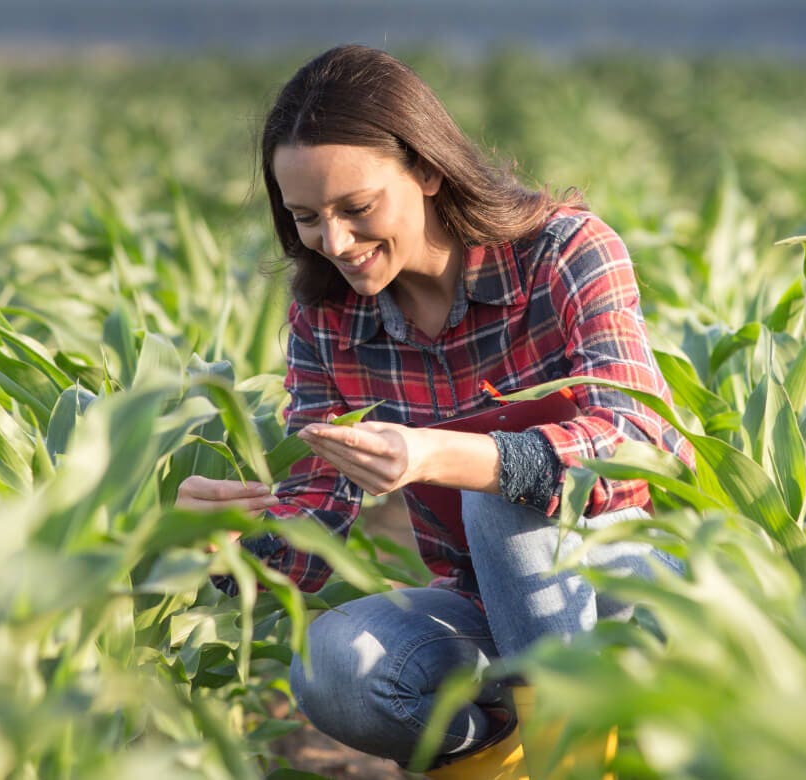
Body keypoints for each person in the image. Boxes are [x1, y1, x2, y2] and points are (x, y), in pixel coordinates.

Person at [176, 44, 693, 778]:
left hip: (633, 583)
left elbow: (640, 438)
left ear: (426, 168)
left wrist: (437, 456)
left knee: (500, 501)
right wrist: (211, 541)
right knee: (336, 668)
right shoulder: (328, 322)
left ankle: (576, 764)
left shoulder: (563, 253)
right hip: (487, 607)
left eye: (356, 209)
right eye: (306, 219)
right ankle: (513, 756)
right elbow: (314, 516)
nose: (336, 243)